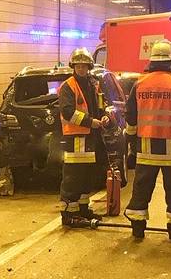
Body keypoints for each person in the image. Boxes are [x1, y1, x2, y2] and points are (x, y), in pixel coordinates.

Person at [123, 40, 171, 240]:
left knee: (141, 189)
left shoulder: (139, 84)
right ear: (170, 61)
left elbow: (131, 115)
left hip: (145, 148)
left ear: (152, 61)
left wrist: (131, 140)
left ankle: (138, 228)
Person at [58, 47, 109, 228]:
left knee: (87, 175)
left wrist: (103, 116)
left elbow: (101, 105)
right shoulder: (68, 86)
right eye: (78, 66)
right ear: (73, 66)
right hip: (75, 139)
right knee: (73, 176)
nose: (81, 69)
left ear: (89, 66)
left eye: (84, 66)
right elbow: (67, 112)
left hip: (90, 138)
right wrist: (90, 122)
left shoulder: (93, 84)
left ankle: (82, 209)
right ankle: (69, 214)